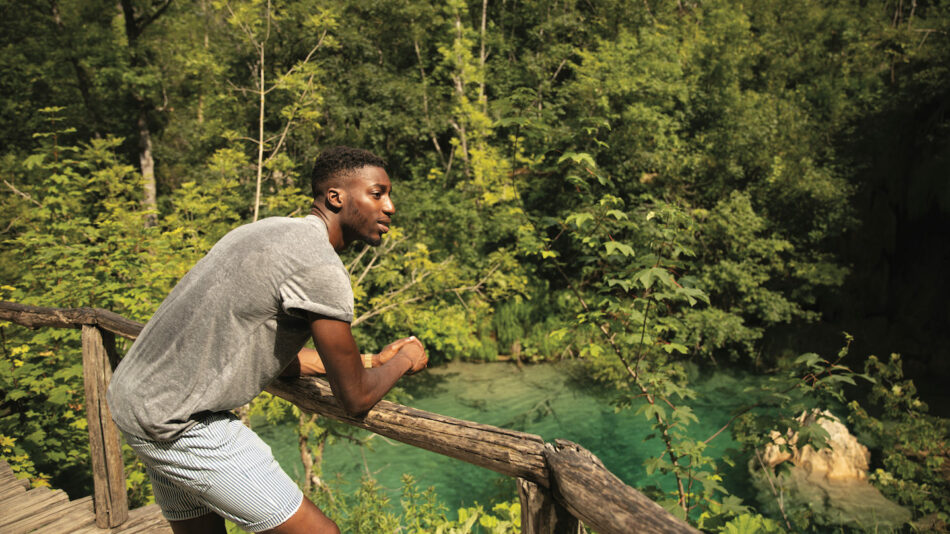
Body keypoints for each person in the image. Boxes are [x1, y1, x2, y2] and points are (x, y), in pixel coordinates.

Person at [107, 146, 427, 534]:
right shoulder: (320, 266)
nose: (390, 206)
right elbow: (355, 399)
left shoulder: (266, 230)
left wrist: (373, 360)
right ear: (336, 197)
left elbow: (261, 352)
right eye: (377, 193)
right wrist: (406, 359)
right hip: (175, 422)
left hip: (132, 399)